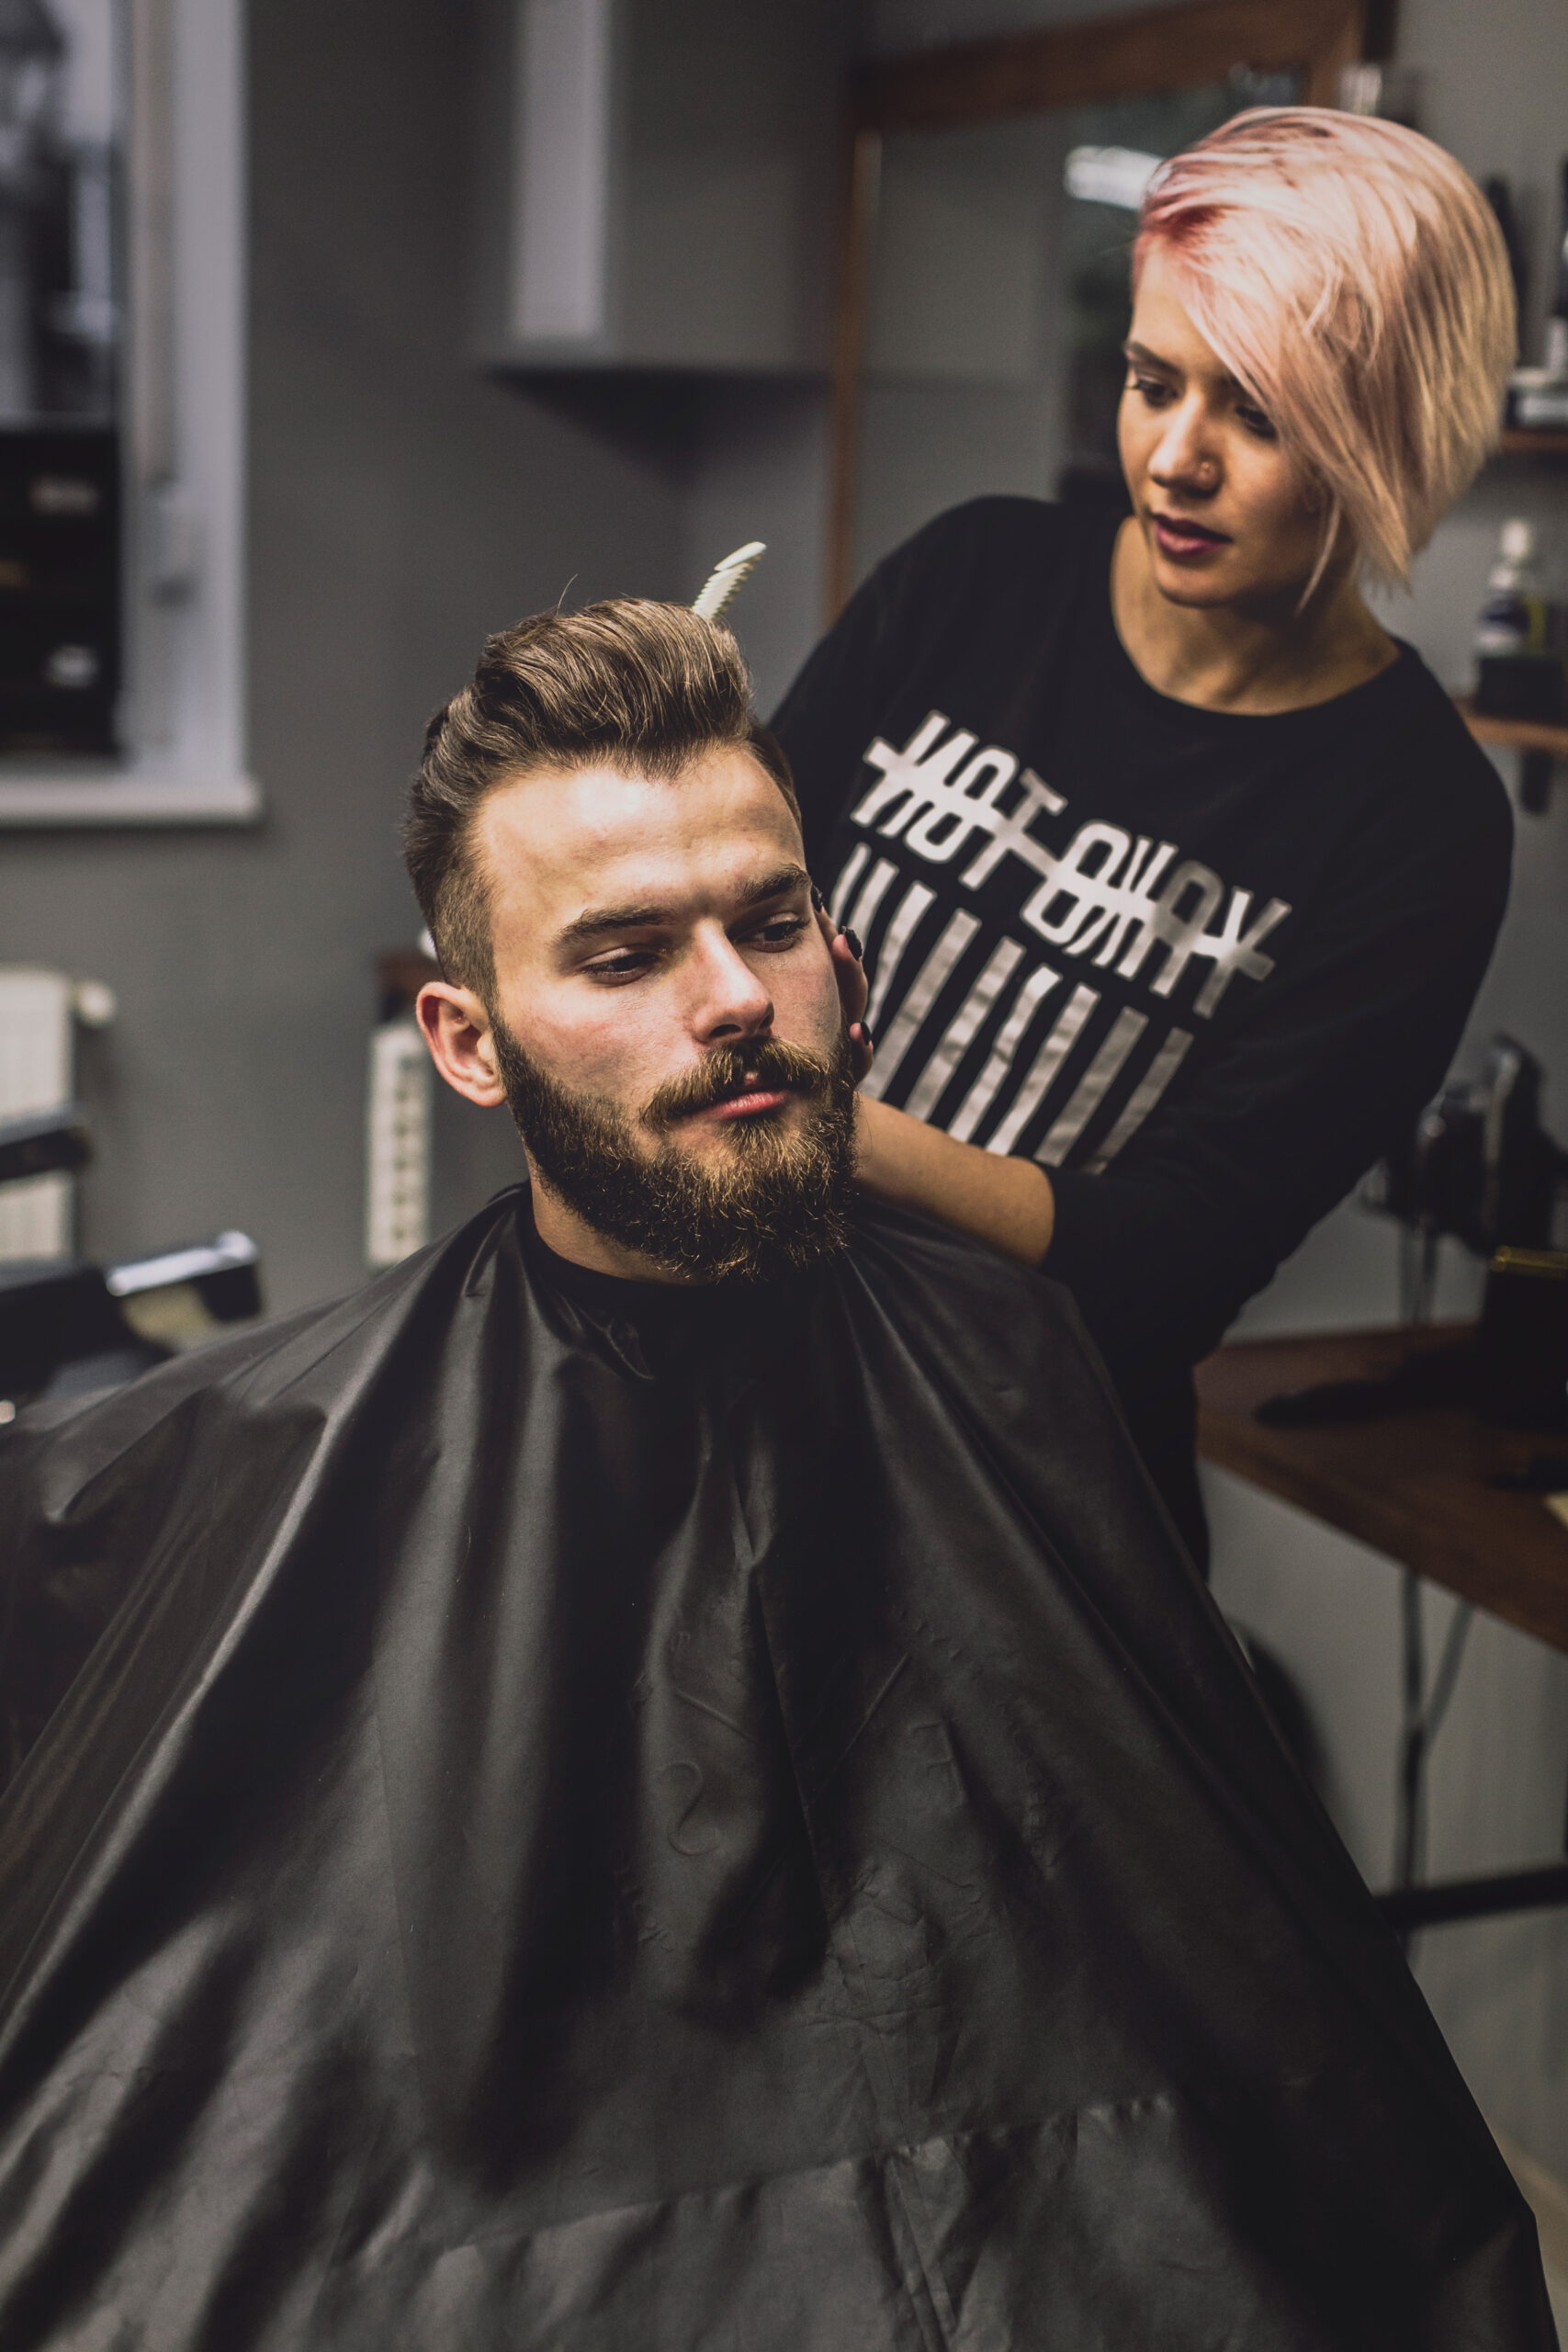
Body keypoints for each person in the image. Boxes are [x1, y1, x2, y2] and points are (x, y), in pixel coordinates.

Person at [0, 600, 1551, 2349]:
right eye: (623, 957)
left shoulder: (1012, 1361)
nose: (737, 998)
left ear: (849, 965)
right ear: (467, 1040)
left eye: (771, 922)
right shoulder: (291, 1448)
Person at [773, 108, 1517, 1565]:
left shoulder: (1419, 822)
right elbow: (741, 885)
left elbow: (1173, 1263)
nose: (1175, 458)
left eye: (1259, 415)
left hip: (1021, 1508)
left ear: (1387, 435)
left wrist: (825, 1136)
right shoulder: (976, 578)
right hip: (749, 1377)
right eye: (1151, 383)